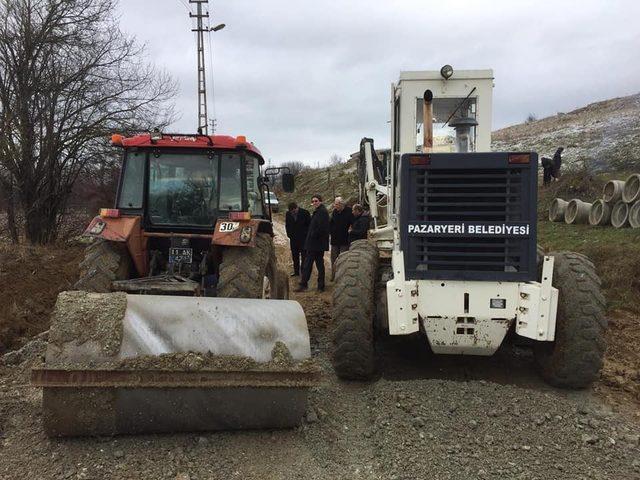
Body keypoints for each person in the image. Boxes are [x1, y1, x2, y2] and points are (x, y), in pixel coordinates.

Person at [296, 194, 330, 292]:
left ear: (320, 201)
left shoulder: (322, 212)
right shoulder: (318, 211)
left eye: (316, 201)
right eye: (313, 201)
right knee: (311, 264)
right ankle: (312, 285)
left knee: (314, 265)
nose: (314, 203)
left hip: (317, 244)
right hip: (314, 243)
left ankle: (313, 285)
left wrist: (312, 235)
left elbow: (322, 228)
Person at [329, 196, 353, 281]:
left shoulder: (349, 211)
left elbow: (352, 223)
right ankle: (334, 275)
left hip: (344, 240)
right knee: (334, 259)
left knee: (343, 259)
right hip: (335, 240)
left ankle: (343, 276)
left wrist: (350, 230)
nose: (334, 206)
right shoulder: (334, 212)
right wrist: (330, 231)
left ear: (341, 204)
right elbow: (331, 223)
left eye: (336, 204)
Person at [285, 201, 310, 277]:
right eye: (291, 212)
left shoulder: (305, 213)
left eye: (294, 211)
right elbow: (287, 225)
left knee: (304, 256)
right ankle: (296, 272)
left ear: (297, 208)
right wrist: (289, 235)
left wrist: (307, 235)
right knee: (295, 256)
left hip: (303, 239)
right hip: (293, 239)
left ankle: (303, 272)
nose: (292, 213)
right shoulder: (288, 214)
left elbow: (309, 225)